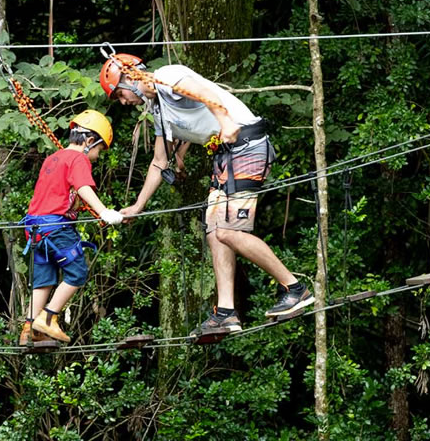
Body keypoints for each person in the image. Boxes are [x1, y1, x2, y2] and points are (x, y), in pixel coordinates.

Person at [100, 53, 313, 334]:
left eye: (119, 94)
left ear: (130, 77)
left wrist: (225, 122)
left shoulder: (167, 75)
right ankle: (225, 312)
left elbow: (204, 92)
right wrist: (138, 206)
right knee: (214, 231)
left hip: (246, 145)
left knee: (227, 231)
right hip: (226, 155)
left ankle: (295, 288)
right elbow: (158, 161)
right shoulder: (157, 109)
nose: (123, 102)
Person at [19, 109, 124, 346]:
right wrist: (104, 212)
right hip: (57, 228)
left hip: (35, 230)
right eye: (98, 149)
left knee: (44, 279)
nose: (97, 156)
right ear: (89, 142)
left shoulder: (53, 158)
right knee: (77, 273)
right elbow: (84, 187)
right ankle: (48, 318)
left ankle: (29, 328)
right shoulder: (78, 159)